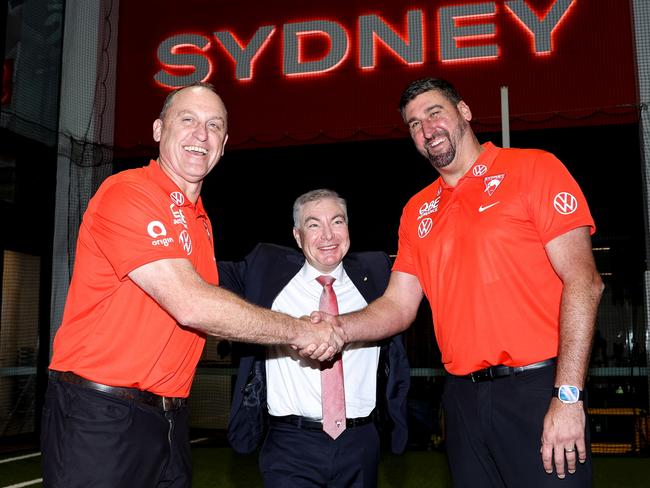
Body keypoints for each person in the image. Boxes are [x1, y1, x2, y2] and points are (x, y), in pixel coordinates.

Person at [40, 82, 343, 488]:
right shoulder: (129, 192)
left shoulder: (201, 223)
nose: (202, 135)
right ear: (157, 130)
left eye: (214, 125)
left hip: (169, 419)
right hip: (101, 415)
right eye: (188, 120)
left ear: (224, 143)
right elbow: (192, 304)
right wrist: (301, 330)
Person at [312, 78, 604, 487]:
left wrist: (567, 396)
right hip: (462, 400)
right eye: (414, 124)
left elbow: (584, 282)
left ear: (464, 112)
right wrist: (336, 328)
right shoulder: (416, 211)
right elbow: (398, 305)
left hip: (539, 389)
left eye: (435, 113)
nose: (426, 128)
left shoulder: (534, 168)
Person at [220, 189, 410, 488]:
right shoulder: (266, 271)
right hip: (290, 446)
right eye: (313, 225)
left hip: (360, 443)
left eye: (337, 221)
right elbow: (202, 272)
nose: (328, 235)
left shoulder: (378, 275)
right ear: (297, 236)